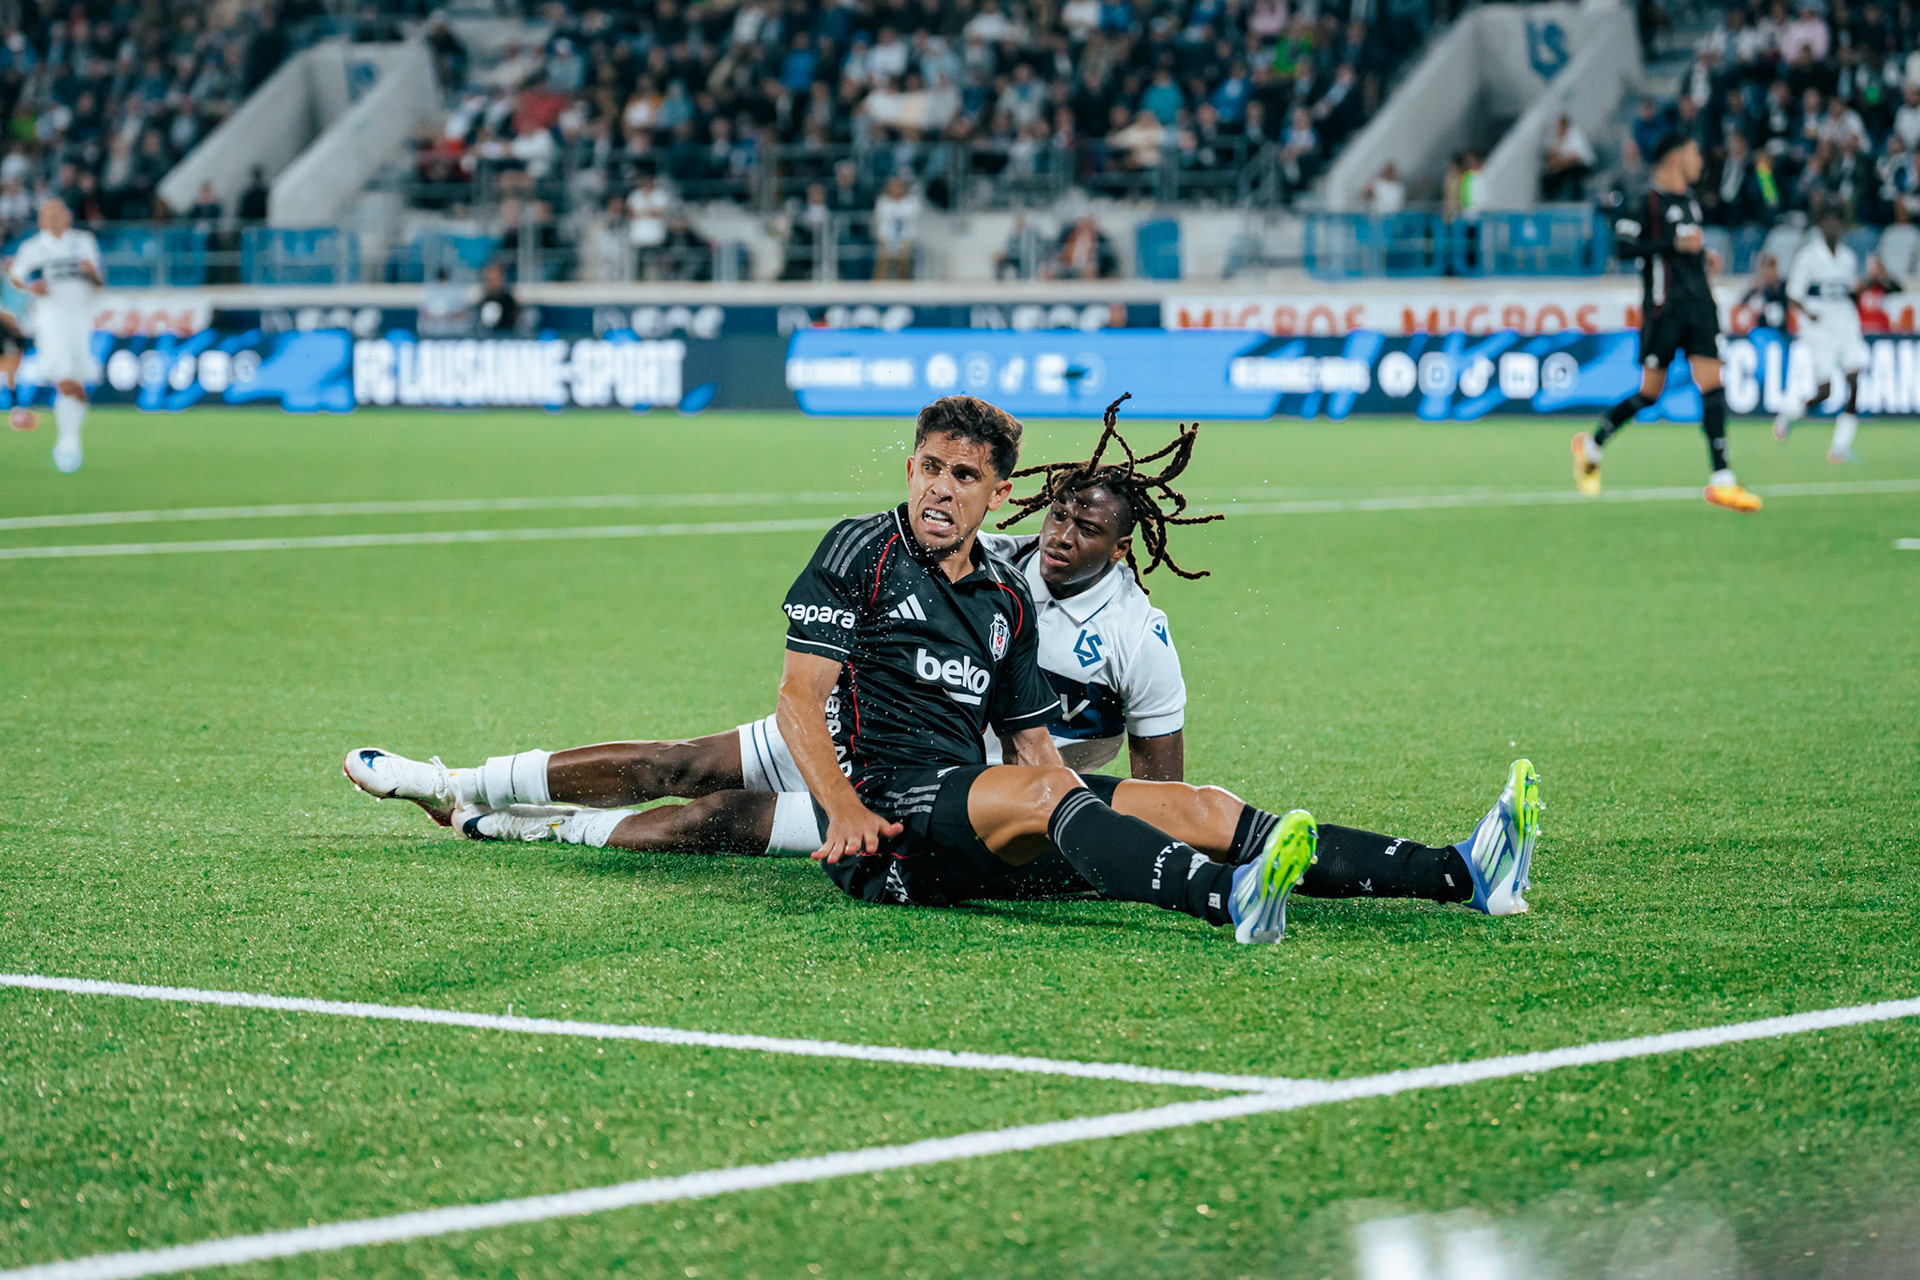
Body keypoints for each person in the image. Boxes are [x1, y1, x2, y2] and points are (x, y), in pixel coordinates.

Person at [346, 397, 1542, 932]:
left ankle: (1454, 873)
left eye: (963, 475)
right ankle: (472, 790)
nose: (938, 487)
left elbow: (1031, 748)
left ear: (994, 493)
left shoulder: (1010, 595)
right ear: (911, 466)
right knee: (688, 783)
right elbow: (796, 701)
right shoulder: (863, 552)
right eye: (928, 466)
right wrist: (856, 807)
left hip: (948, 796)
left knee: (1201, 801)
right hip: (871, 797)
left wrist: (1098, 819)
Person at [1574, 135, 1762, 513]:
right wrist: (1674, 247)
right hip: (1664, 308)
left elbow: (1684, 247)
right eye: (1695, 153)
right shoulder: (1647, 200)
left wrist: (1701, 257)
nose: (1700, 161)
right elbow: (1624, 248)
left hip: (1700, 305)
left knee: (1712, 385)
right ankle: (1591, 446)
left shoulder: (1690, 203)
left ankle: (1722, 479)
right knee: (1649, 393)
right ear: (1675, 156)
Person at [6, 198, 100, 474]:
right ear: (41, 220)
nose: (53, 219)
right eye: (48, 215)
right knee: (66, 377)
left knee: (78, 384)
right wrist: (31, 286)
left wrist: (92, 274)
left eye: (58, 214)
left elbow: (99, 280)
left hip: (80, 319)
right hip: (51, 319)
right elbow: (16, 276)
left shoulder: (83, 242)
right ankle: (68, 444)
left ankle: (71, 438)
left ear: (67, 216)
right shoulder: (34, 248)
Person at [1775, 204, 1868, 463]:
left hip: (1846, 325)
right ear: (1820, 228)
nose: (1833, 229)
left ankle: (1840, 447)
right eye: (1828, 224)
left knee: (1854, 383)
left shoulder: (1848, 257)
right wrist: (1809, 313)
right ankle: (1789, 414)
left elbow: (1848, 292)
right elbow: (1793, 294)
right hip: (1819, 328)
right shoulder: (1808, 256)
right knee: (1825, 391)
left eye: (1837, 224)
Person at [872, 176, 921, 280]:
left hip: (905, 239)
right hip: (886, 238)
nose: (896, 189)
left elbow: (912, 219)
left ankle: (904, 283)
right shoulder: (883, 201)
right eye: (893, 186)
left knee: (904, 262)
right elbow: (881, 220)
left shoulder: (912, 202)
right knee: (882, 261)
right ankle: (878, 284)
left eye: (898, 186)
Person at [1542, 115, 1596, 201]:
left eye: (1559, 126)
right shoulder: (1558, 138)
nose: (1557, 128)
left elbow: (1576, 157)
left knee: (1573, 173)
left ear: (1565, 126)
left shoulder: (1575, 135)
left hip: (1583, 165)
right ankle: (1552, 199)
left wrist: (1560, 162)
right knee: (1549, 176)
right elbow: (1552, 156)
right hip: (1566, 166)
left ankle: (1577, 200)